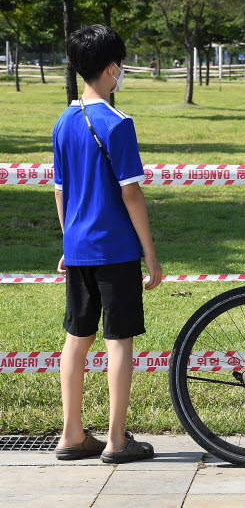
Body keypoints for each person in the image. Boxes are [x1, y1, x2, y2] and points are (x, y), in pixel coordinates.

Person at [51, 24, 163, 463]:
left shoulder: (63, 121)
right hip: (116, 250)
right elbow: (131, 193)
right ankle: (117, 440)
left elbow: (60, 189)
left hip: (77, 247)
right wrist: (150, 253)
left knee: (76, 339)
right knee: (119, 341)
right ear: (113, 68)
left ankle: (72, 433)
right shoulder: (118, 124)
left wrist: (69, 239)